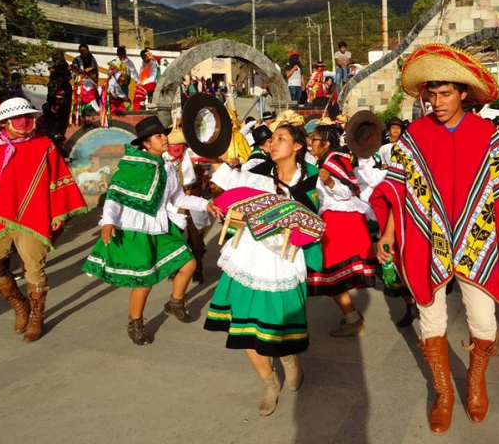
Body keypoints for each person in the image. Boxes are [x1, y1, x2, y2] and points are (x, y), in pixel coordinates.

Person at [369, 43, 499, 434]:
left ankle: (476, 381)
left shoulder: (489, 136)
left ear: (464, 93)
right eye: (432, 95)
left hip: (478, 242)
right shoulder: (415, 136)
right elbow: (398, 189)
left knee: (483, 321)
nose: (437, 102)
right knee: (431, 315)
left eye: (445, 94)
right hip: (429, 239)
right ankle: (444, 392)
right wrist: (388, 233)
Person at [205, 124, 323, 416]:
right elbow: (229, 179)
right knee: (244, 327)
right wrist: (213, 154)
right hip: (247, 258)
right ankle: (269, 384)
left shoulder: (314, 182)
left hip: (283, 263)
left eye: (281, 138)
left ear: (298, 146)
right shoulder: (259, 176)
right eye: (272, 139)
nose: (273, 143)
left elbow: (321, 220)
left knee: (278, 327)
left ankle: (289, 359)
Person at [0, 98, 87, 342]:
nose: (24, 122)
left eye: (28, 117)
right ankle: (20, 305)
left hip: (34, 217)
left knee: (34, 270)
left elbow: (58, 178)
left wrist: (58, 212)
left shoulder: (44, 146)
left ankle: (37, 317)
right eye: (18, 118)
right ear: (4, 122)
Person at [81, 116, 221, 344]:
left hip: (160, 226)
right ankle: (135, 323)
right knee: (144, 282)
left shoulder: (166, 167)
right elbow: (114, 196)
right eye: (159, 136)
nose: (165, 138)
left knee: (189, 264)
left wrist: (206, 204)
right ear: (146, 143)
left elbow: (176, 198)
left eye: (164, 134)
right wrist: (108, 221)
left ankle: (175, 303)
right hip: (136, 229)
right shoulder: (133, 166)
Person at [306, 124, 377, 336]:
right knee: (331, 275)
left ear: (326, 143)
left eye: (315, 138)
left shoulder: (334, 160)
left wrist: (328, 181)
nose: (311, 141)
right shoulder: (328, 159)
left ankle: (354, 319)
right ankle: (353, 317)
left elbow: (347, 191)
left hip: (340, 222)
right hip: (336, 219)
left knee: (330, 273)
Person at [164, 128, 213, 284]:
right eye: (173, 145)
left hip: (193, 201)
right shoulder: (162, 161)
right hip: (173, 205)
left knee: (196, 239)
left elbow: (214, 161)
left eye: (180, 144)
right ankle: (175, 268)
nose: (177, 148)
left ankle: (198, 268)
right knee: (174, 238)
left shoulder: (194, 157)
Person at [107, 46, 138, 112]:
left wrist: (137, 81)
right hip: (115, 86)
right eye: (121, 54)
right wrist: (113, 72)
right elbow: (109, 74)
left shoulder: (128, 62)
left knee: (124, 101)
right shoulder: (113, 62)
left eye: (124, 54)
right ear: (117, 54)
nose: (123, 56)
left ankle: (124, 114)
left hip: (124, 85)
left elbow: (134, 71)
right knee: (115, 101)